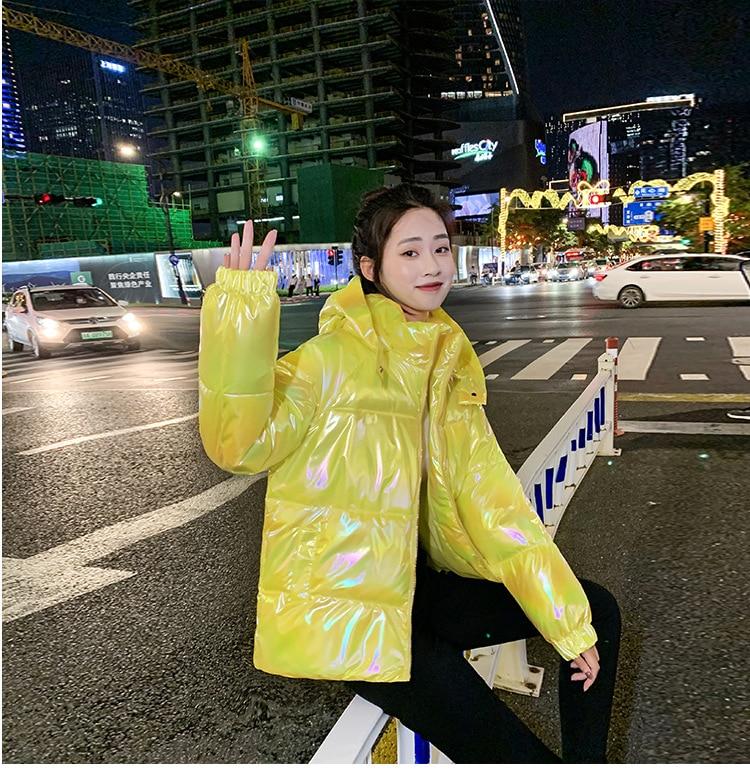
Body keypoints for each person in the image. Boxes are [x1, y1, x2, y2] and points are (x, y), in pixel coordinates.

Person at [198, 184, 621, 763]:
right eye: (410, 251)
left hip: (418, 589)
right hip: (350, 610)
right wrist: (241, 312)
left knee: (595, 614)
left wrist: (565, 622)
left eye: (440, 248)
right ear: (369, 268)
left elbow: (491, 504)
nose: (432, 265)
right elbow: (238, 445)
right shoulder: (330, 360)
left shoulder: (443, 359)